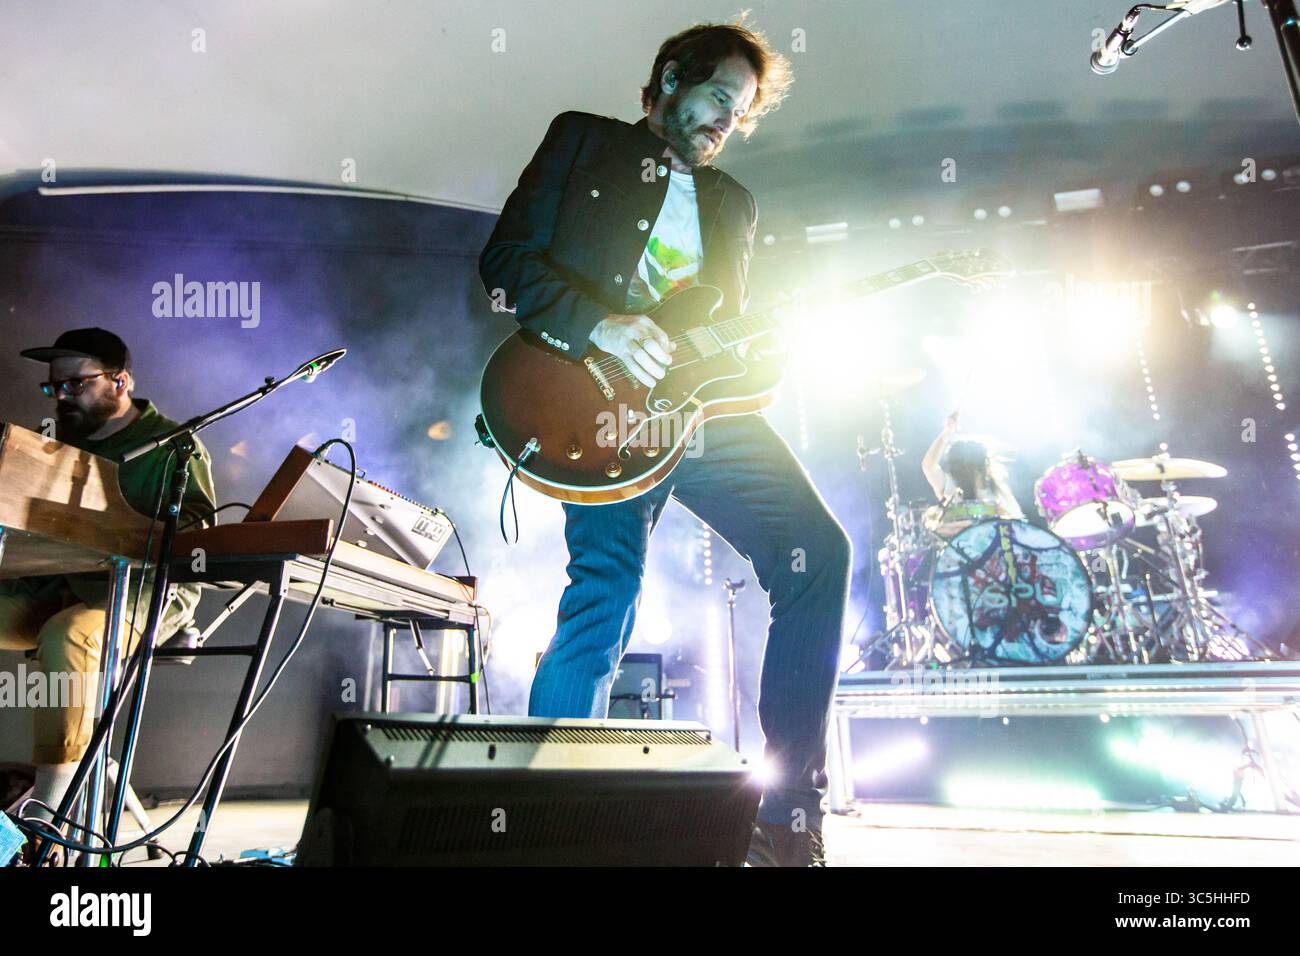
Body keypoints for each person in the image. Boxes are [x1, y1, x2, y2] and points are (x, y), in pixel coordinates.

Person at [479, 19, 849, 866]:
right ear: (671, 80)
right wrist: (600, 326)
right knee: (605, 592)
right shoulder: (583, 142)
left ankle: (789, 816)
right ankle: (543, 821)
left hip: (703, 412)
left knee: (818, 553)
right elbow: (505, 262)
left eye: (743, 112)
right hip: (595, 405)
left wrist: (770, 347)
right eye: (720, 95)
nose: (728, 120)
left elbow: (727, 332)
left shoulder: (734, 203)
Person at [0, 328, 216, 845]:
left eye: (75, 384)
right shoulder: (52, 442)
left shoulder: (174, 445)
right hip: (55, 581)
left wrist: (118, 528)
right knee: (59, 621)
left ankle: (49, 810)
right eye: (54, 388)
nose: (62, 397)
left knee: (70, 634)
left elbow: (199, 538)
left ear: (120, 381)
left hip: (142, 595)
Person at [921, 410, 1022, 538]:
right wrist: (946, 434)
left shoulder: (996, 490)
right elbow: (928, 466)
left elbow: (1018, 524)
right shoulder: (951, 486)